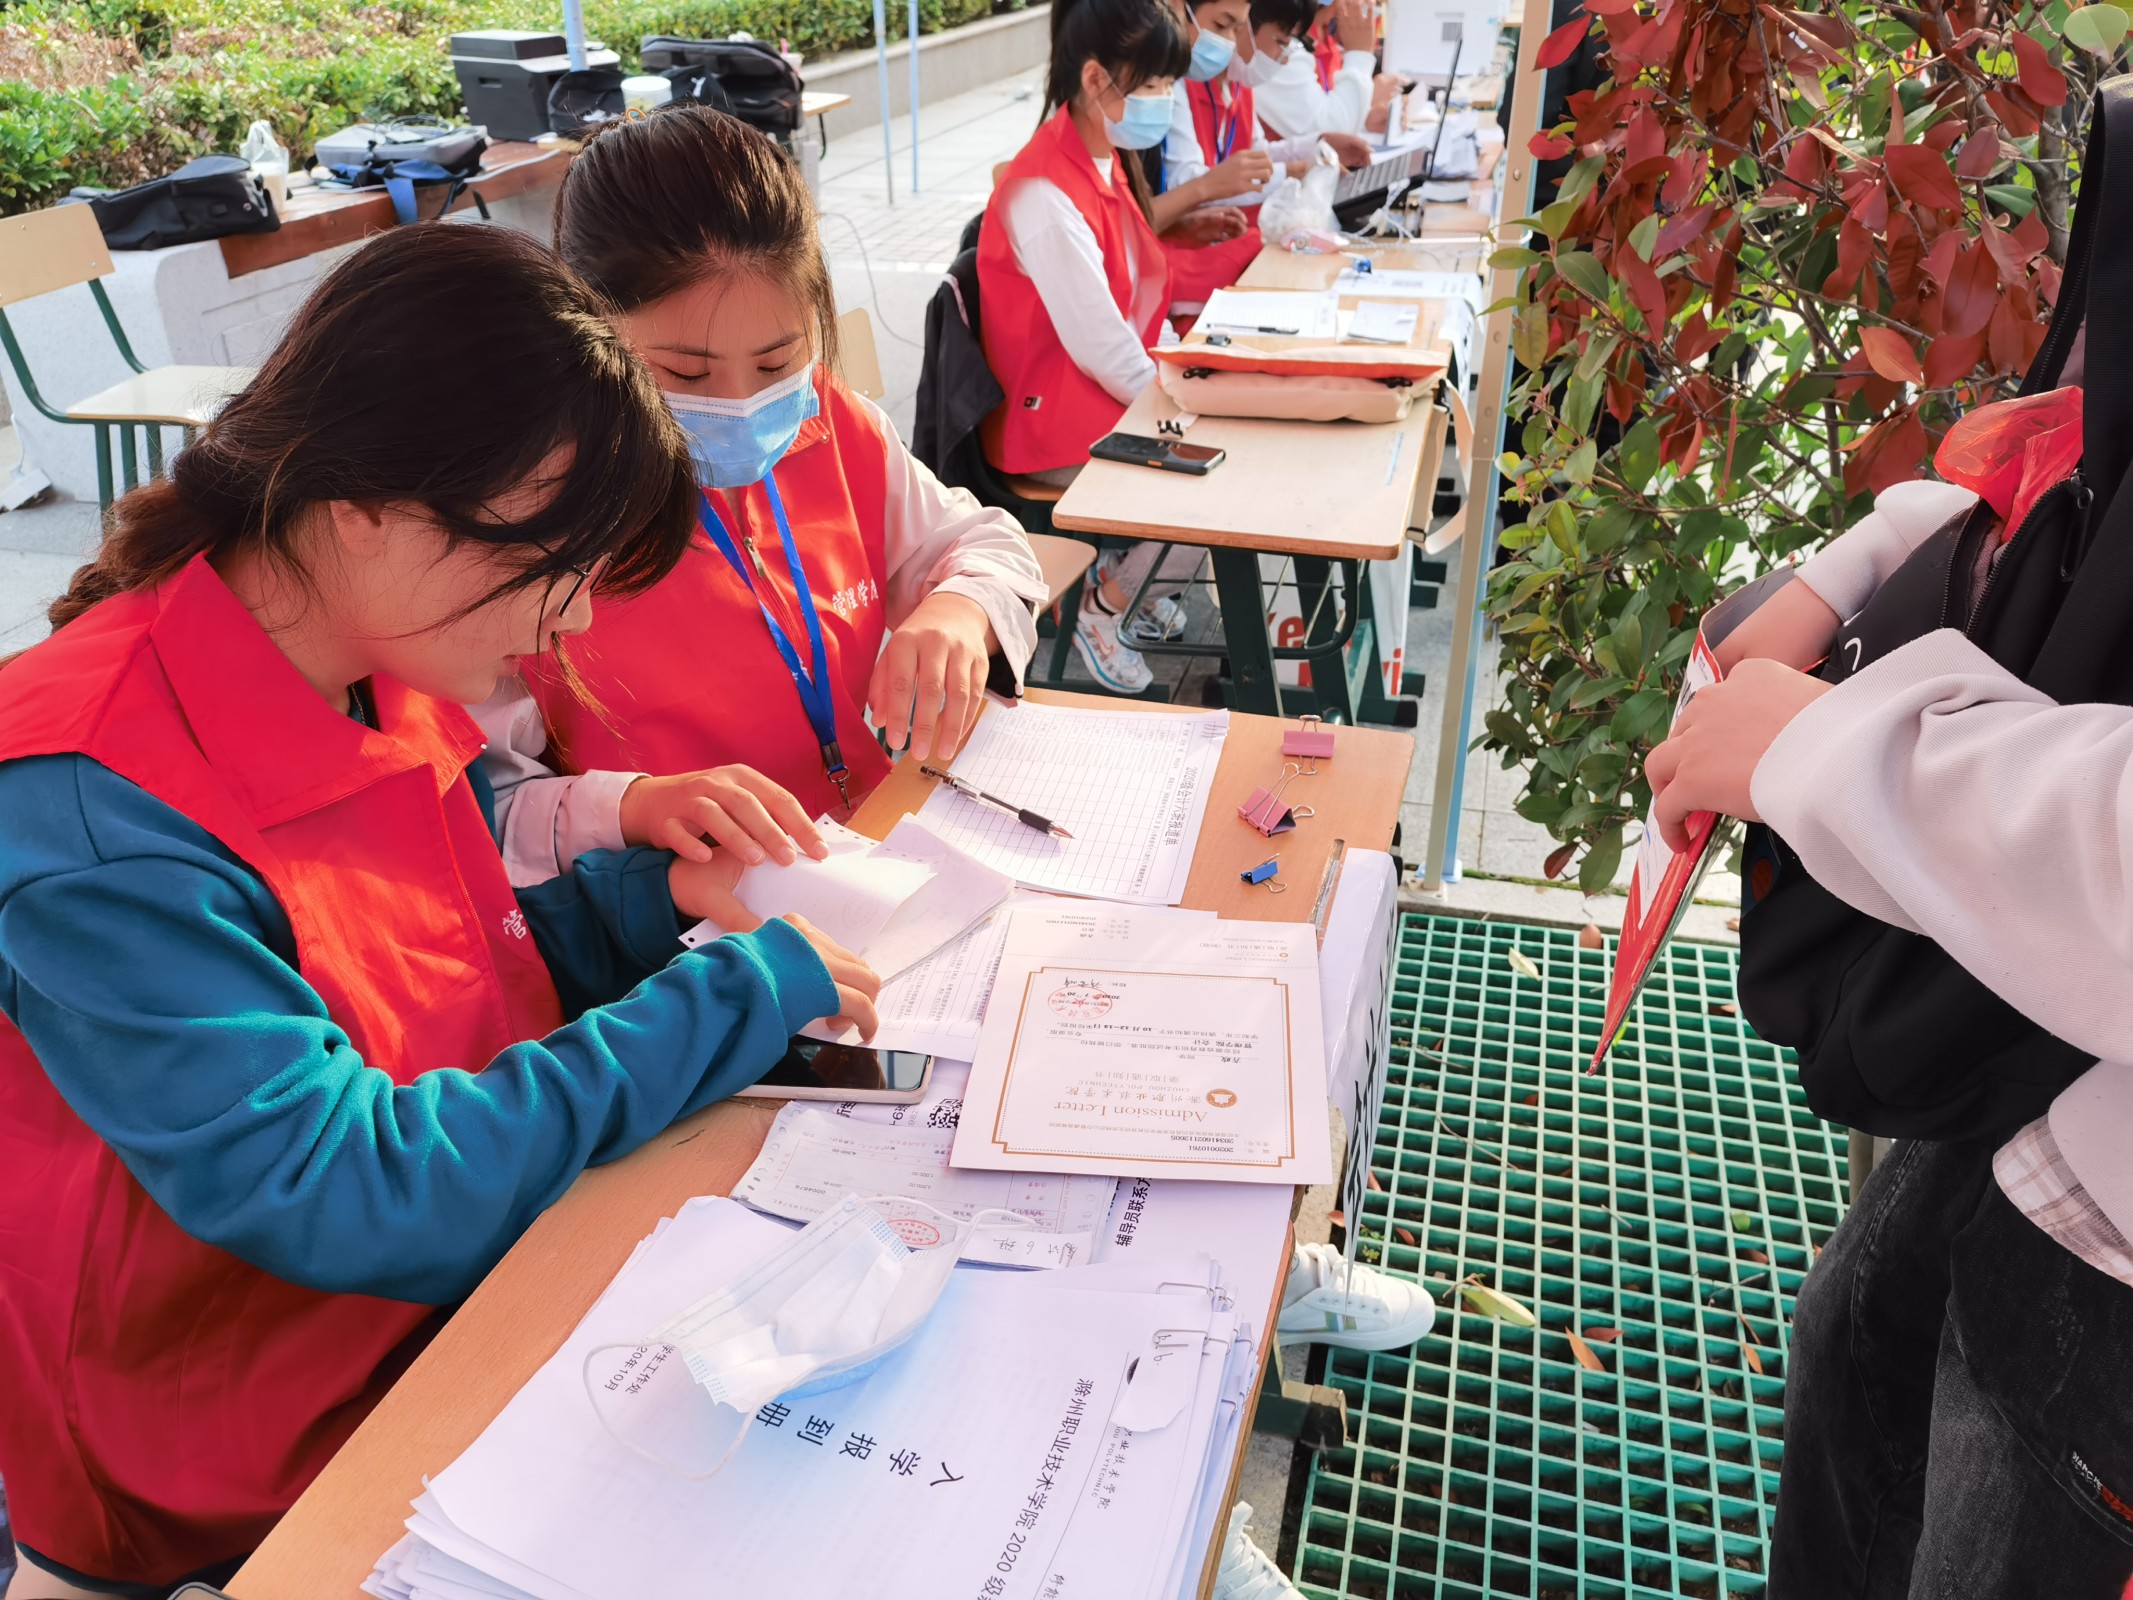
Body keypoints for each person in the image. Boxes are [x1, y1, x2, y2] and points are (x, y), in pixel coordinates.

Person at [0, 224, 879, 1600]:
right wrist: (729, 993)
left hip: (444, 1318)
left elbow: (462, 963)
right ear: (372, 504)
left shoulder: (375, 664)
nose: (570, 621)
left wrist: (650, 903)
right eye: (550, 563)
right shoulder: (89, 803)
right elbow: (344, 1185)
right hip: (237, 1451)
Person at [1645, 473, 2133, 1596]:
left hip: (2110, 1223)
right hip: (2035, 1020)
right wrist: (1870, 566)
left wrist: (1849, 754)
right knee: (1855, 1357)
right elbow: (2069, 441)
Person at [475, 107, 1047, 884]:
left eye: (777, 363)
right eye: (684, 373)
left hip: (871, 845)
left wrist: (959, 609)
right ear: (586, 330)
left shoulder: (830, 425)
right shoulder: (523, 522)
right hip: (680, 906)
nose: (740, 404)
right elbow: (489, 806)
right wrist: (632, 807)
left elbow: (985, 543)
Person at [978, 0, 1198, 693]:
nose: (1166, 100)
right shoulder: (1044, 192)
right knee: (1218, 480)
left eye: (1169, 83)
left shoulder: (1102, 160)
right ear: (1097, 78)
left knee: (1226, 448)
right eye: (1153, 84)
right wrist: (1183, 404)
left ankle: (1128, 580)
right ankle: (1106, 603)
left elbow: (1129, 316)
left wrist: (1185, 379)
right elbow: (1102, 346)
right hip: (1055, 421)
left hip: (1096, 398)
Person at [1154, 0, 1374, 313]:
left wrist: (1315, 144)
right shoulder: (1176, 84)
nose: (1230, 40)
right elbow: (1191, 183)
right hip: (1186, 247)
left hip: (1212, 233)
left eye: (1234, 28)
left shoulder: (1238, 84)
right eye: (1223, 26)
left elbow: (1256, 154)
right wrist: (1294, 171)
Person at [1251, 0, 1396, 142]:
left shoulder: (1324, 35)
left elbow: (1330, 113)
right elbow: (1328, 133)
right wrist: (1359, 57)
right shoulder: (1275, 41)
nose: (1372, 4)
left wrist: (1364, 118)